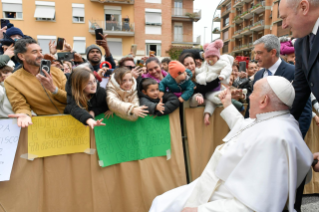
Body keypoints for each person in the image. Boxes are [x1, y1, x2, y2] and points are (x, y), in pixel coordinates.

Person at [149, 76, 313, 212]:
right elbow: (243, 127)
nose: (248, 96)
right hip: (213, 183)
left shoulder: (273, 138)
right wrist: (227, 103)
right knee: (161, 202)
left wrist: (200, 210)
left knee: (162, 205)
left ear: (264, 100)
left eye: (253, 92)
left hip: (222, 195)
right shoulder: (277, 118)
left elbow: (254, 204)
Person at [244, 34, 312, 139]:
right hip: (259, 138)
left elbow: (304, 111)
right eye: (255, 53)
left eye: (259, 53)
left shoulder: (294, 73)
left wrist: (294, 138)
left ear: (273, 52)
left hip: (284, 138)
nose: (256, 57)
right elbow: (252, 106)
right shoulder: (258, 75)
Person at [4, 38, 67, 127]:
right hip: (45, 125)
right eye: (35, 52)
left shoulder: (57, 72)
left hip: (71, 119)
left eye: (40, 51)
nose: (40, 55)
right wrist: (24, 115)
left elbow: (71, 99)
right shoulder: (11, 81)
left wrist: (53, 89)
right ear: (21, 56)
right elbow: (20, 105)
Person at [278, 0, 319, 122]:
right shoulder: (300, 43)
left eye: (284, 18)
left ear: (304, 7)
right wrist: (280, 125)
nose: (283, 25)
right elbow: (300, 90)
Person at [195, 40, 233, 125]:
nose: (210, 59)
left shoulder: (220, 63)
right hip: (206, 86)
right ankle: (207, 115)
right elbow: (201, 71)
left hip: (216, 87)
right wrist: (196, 70)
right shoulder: (206, 64)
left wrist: (222, 75)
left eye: (213, 56)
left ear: (217, 57)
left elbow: (227, 68)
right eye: (208, 57)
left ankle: (208, 113)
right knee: (210, 101)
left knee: (212, 99)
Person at [64, 65, 108, 129]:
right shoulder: (73, 95)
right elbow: (74, 108)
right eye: (89, 83)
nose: (94, 85)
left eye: (94, 81)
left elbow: (106, 105)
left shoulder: (101, 92)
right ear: (79, 85)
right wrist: (88, 119)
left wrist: (94, 111)